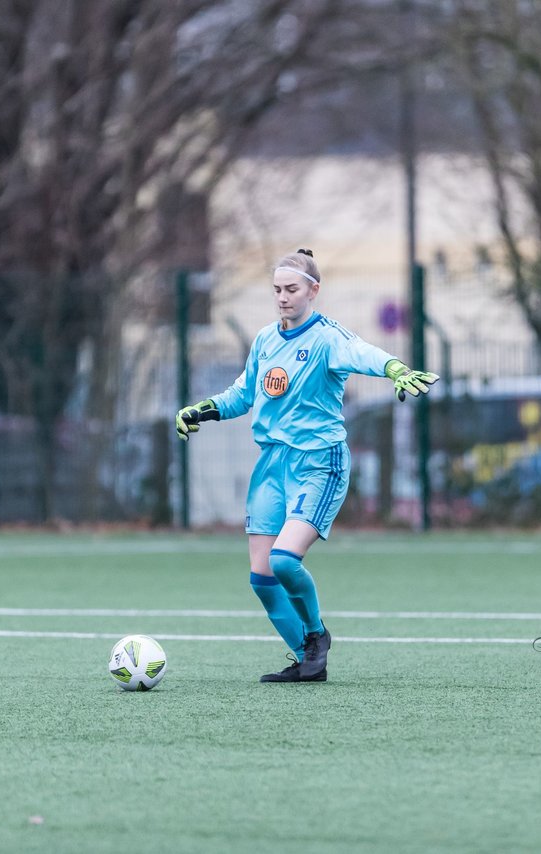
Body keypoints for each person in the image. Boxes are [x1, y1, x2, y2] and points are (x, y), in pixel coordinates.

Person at [176, 248, 438, 683]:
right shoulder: (265, 340)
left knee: (283, 561)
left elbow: (362, 352)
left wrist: (394, 368)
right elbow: (242, 395)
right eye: (277, 289)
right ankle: (307, 659)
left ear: (313, 291)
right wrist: (201, 410)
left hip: (319, 463)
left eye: (291, 289)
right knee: (262, 577)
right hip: (272, 465)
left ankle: (317, 636)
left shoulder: (327, 337)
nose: (282, 297)